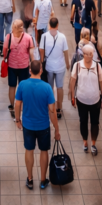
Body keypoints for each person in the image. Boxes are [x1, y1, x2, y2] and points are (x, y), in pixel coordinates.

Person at [14, 59, 61, 190]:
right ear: (41, 70)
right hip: (43, 126)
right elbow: (52, 111)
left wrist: (18, 120)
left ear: (29, 70)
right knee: (44, 151)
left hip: (28, 125)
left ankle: (30, 179)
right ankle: (42, 180)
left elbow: (17, 104)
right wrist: (56, 129)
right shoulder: (47, 88)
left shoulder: (22, 85)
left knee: (29, 150)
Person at [69, 44, 102, 155]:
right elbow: (72, 81)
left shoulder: (98, 66)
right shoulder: (77, 65)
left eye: (90, 54)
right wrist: (72, 96)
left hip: (95, 100)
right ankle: (85, 142)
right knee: (83, 121)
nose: (88, 56)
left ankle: (93, 144)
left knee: (95, 123)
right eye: (86, 54)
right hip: (81, 99)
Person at [2, 19, 37, 119]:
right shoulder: (28, 37)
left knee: (12, 86)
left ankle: (12, 106)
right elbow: (31, 53)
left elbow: (5, 52)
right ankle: (22, 106)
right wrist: (32, 63)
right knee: (23, 87)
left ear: (14, 27)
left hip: (12, 66)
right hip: (24, 66)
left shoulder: (8, 37)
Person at [38, 17, 69, 118]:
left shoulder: (44, 36)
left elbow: (41, 50)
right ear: (58, 25)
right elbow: (65, 52)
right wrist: (67, 63)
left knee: (50, 87)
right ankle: (59, 108)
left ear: (49, 25)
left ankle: (51, 107)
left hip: (49, 66)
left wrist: (42, 62)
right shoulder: (62, 37)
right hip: (60, 66)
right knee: (59, 87)